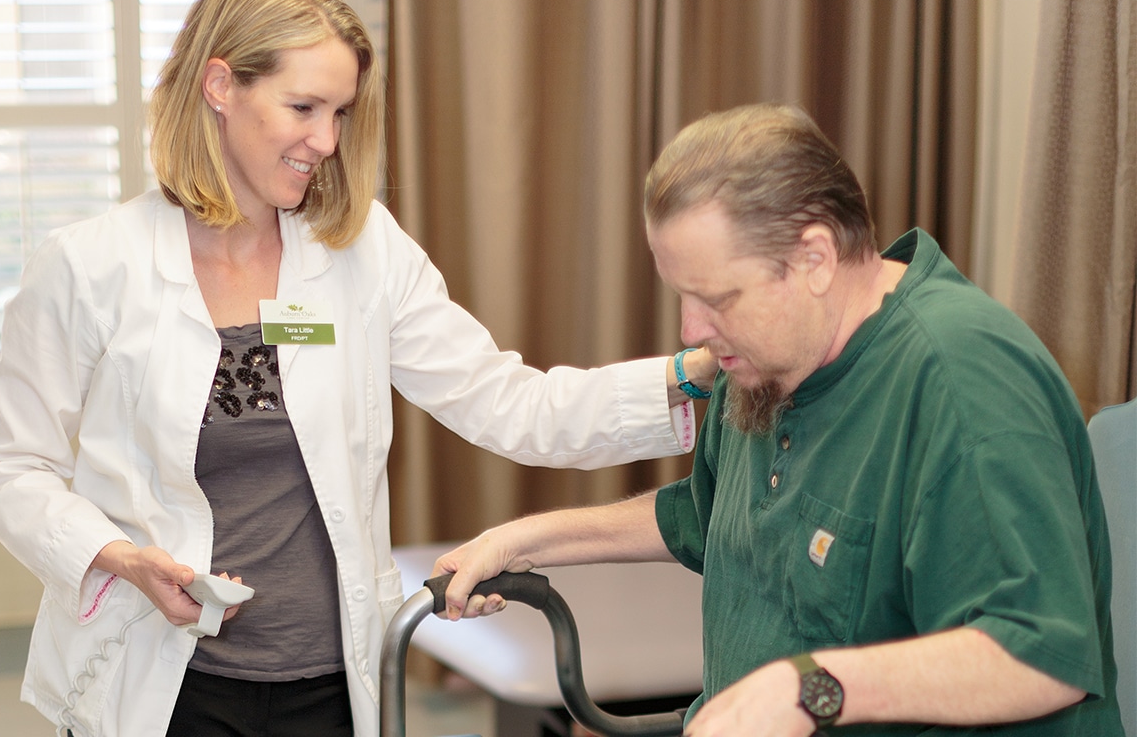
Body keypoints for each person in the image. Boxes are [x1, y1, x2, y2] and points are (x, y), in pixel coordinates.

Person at [0, 0, 717, 737]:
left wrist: (695, 379)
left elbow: (512, 405)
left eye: (341, 112)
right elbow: (9, 467)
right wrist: (117, 555)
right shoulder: (90, 267)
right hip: (161, 678)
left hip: (329, 682)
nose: (326, 140)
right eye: (304, 107)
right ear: (220, 85)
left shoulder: (362, 254)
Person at [436, 103, 1124, 736]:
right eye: (682, 295)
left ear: (815, 259)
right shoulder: (768, 359)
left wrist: (812, 690)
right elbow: (713, 516)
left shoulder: (963, 386)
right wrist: (527, 538)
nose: (691, 329)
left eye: (717, 298)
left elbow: (1045, 657)